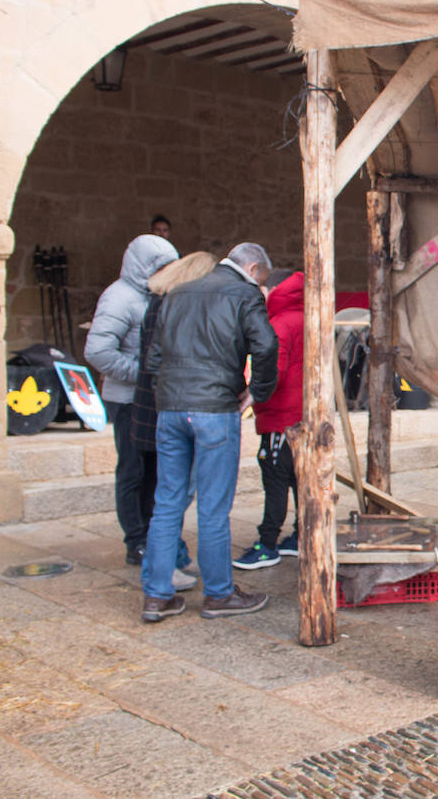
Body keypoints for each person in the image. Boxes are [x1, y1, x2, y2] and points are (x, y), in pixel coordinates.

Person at [139, 243, 279, 622]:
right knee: (214, 508)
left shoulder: (178, 292)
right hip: (216, 410)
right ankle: (219, 594)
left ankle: (156, 596)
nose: (262, 285)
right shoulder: (244, 293)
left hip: (171, 410)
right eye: (263, 278)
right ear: (252, 267)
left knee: (167, 503)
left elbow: (153, 358)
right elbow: (266, 345)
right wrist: (257, 393)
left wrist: (169, 395)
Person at [84, 234, 178, 567]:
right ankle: (135, 539)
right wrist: (143, 373)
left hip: (154, 399)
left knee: (155, 468)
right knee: (132, 470)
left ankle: (154, 533)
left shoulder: (158, 295)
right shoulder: (119, 297)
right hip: (127, 399)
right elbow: (97, 351)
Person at [131, 252, 219, 589]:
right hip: (170, 408)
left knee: (170, 496)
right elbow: (161, 362)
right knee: (174, 497)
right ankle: (159, 570)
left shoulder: (159, 304)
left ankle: (170, 563)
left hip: (161, 406)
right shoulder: (172, 307)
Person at [234, 269, 303, 570]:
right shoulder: (304, 317)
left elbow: (275, 369)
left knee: (275, 479)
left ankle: (268, 544)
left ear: (274, 289)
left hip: (281, 418)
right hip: (301, 415)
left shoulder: (279, 323)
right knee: (299, 479)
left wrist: (252, 394)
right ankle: (302, 535)